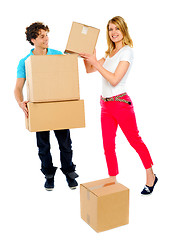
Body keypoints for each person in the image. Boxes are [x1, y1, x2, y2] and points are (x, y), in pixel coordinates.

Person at [80, 16, 158, 195]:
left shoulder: (127, 52)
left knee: (135, 141)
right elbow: (89, 69)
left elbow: (115, 80)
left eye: (117, 29)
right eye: (110, 29)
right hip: (105, 106)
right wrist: (86, 55)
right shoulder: (109, 53)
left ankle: (151, 175)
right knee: (108, 145)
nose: (113, 33)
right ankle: (112, 180)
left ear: (123, 30)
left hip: (121, 104)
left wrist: (94, 61)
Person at [14, 22, 79, 191]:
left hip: (58, 105)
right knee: (43, 146)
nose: (46, 39)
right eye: (42, 36)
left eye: (46, 35)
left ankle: (69, 173)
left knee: (65, 143)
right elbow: (17, 88)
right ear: (33, 39)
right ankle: (49, 175)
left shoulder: (57, 55)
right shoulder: (25, 62)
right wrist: (21, 102)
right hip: (39, 107)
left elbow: (69, 74)